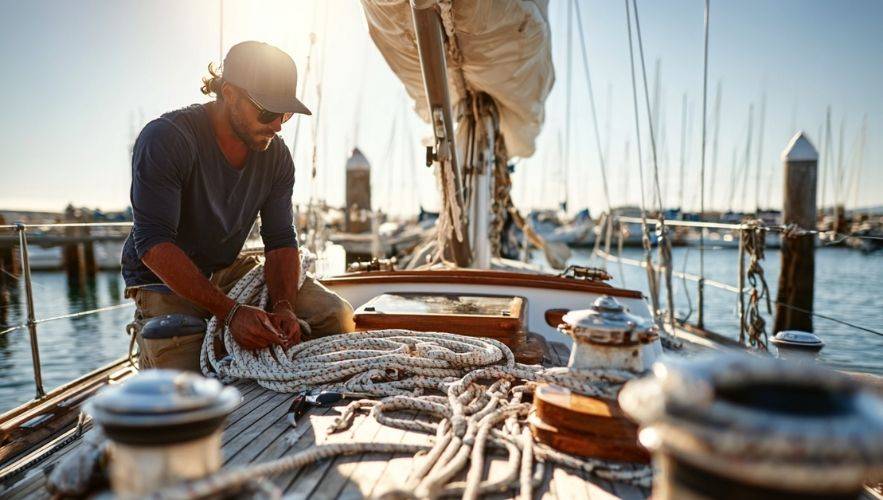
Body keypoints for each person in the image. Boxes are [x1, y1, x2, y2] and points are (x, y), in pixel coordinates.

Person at [121, 41, 354, 371]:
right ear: (229, 93)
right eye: (268, 111)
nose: (278, 125)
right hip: (162, 279)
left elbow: (280, 240)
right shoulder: (166, 139)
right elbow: (153, 244)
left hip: (226, 269)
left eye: (286, 113)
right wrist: (230, 312)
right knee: (183, 387)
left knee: (335, 316)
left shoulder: (276, 157)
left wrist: (284, 306)